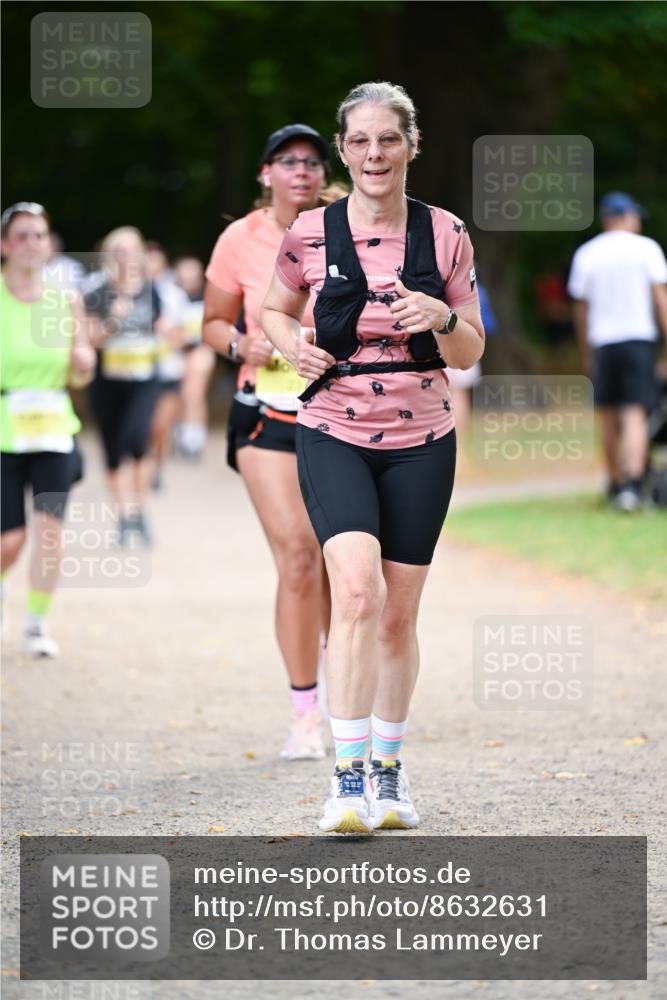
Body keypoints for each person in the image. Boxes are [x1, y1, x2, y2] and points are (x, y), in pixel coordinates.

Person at [261, 82, 485, 834]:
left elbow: (470, 346)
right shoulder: (310, 232)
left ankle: (388, 776)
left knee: (397, 615)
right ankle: (345, 780)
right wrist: (291, 342)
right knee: (354, 594)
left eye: (387, 139)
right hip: (332, 428)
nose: (373, 154)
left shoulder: (445, 233)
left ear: (410, 146)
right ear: (344, 150)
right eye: (358, 141)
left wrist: (442, 315)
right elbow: (271, 306)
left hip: (423, 437)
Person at [204, 124, 335, 761]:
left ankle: (353, 693)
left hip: (339, 413)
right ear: (266, 174)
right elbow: (210, 323)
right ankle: (304, 714)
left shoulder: (345, 228)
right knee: (298, 555)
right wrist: (240, 343)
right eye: (288, 161)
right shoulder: (241, 239)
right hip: (265, 413)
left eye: (312, 162)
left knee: (342, 560)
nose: (302, 172)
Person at [1, 202, 96, 656]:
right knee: (10, 541)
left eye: (38, 235)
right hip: (4, 430)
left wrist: (84, 363)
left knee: (51, 532)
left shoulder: (65, 300)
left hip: (54, 429)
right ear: (5, 244)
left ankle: (36, 623)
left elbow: (82, 371)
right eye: (21, 235)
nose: (30, 244)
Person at [568, 192, 667, 511]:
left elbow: (581, 310)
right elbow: (660, 300)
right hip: (638, 338)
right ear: (624, 216)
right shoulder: (647, 249)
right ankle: (633, 484)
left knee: (607, 414)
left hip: (603, 341)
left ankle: (613, 482)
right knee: (635, 411)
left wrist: (586, 351)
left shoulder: (587, 253)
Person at [83, 226, 165, 544]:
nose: (125, 257)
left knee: (138, 440)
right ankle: (123, 516)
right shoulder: (96, 292)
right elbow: (90, 340)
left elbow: (159, 327)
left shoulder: (150, 289)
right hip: (107, 383)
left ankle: (140, 511)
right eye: (119, 251)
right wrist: (114, 319)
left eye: (131, 250)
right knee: (114, 451)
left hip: (144, 380)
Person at [145, 241, 189, 490]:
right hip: (139, 371)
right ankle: (140, 467)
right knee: (143, 426)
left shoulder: (175, 295)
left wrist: (168, 332)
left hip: (168, 368)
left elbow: (183, 337)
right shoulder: (126, 293)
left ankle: (156, 466)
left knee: (160, 426)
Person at [173, 256, 214, 460]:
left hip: (200, 350)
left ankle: (194, 439)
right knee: (177, 396)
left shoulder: (209, 297)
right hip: (175, 352)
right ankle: (179, 436)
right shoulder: (171, 297)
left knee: (194, 395)